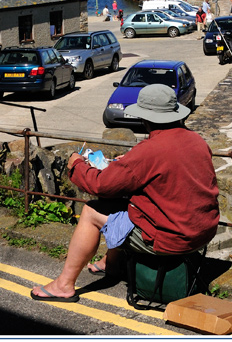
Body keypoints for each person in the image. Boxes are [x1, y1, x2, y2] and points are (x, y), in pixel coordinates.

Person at [31, 84, 220, 303]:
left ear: (146, 118)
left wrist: (77, 165)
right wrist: (128, 165)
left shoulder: (149, 150)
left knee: (92, 212)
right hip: (202, 231)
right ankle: (110, 264)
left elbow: (100, 185)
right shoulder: (196, 140)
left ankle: (63, 285)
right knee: (124, 204)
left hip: (172, 239)